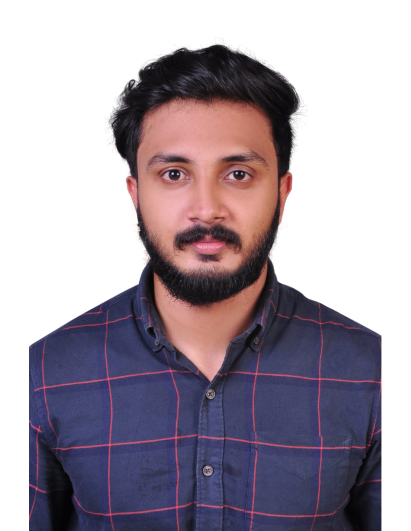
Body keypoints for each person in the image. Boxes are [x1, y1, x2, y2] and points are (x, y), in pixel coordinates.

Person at [29, 45, 381, 531]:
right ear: (136, 194)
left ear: (281, 194)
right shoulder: (43, 376)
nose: (206, 208)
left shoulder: (375, 375)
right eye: (174, 174)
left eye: (238, 174)